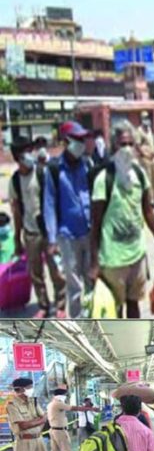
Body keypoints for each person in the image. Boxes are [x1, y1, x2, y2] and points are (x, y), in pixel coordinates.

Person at [89, 122, 154, 319]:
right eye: (123, 144)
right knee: (115, 308)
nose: (127, 149)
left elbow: (148, 211)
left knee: (134, 305)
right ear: (114, 146)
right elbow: (95, 224)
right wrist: (94, 262)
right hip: (113, 260)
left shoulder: (140, 175)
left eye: (131, 144)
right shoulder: (104, 180)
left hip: (137, 256)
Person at [9, 136, 67, 318]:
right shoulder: (15, 181)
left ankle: (60, 304)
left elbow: (54, 203)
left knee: (56, 270)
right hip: (31, 233)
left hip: (48, 232)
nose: (30, 154)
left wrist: (56, 233)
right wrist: (17, 237)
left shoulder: (42, 173)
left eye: (30, 150)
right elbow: (17, 211)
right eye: (26, 151)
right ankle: (43, 305)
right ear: (18, 157)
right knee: (36, 273)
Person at [43, 121, 93, 318]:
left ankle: (92, 321)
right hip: (67, 236)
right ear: (66, 141)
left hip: (88, 232)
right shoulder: (54, 170)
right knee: (75, 286)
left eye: (83, 139)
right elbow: (49, 204)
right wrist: (52, 239)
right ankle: (78, 326)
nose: (82, 143)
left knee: (90, 281)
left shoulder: (87, 164)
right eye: (78, 139)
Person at [47, 385, 97, 451]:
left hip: (53, 430)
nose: (66, 396)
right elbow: (73, 408)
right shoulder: (58, 403)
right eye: (65, 394)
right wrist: (91, 408)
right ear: (60, 395)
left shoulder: (51, 404)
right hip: (60, 431)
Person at [136, 112, 154, 208]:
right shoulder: (139, 131)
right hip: (145, 159)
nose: (146, 119)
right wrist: (144, 155)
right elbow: (138, 146)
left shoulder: (149, 130)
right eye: (144, 118)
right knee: (148, 180)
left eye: (147, 117)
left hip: (152, 158)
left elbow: (151, 144)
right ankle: (150, 201)